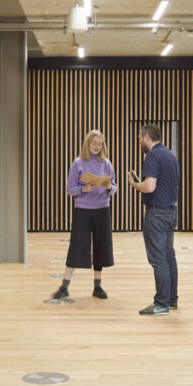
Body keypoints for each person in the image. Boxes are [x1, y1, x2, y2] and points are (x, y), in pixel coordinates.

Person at [50, 128, 116, 301]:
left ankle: (97, 286)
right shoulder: (78, 163)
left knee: (101, 247)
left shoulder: (106, 163)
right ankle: (64, 286)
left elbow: (114, 187)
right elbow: (69, 188)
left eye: (100, 144)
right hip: (83, 210)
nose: (96, 147)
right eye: (94, 143)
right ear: (88, 144)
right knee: (77, 246)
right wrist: (83, 188)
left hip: (102, 210)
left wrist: (109, 187)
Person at [129, 123, 181, 315]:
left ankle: (161, 303)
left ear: (147, 137)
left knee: (158, 259)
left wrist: (135, 184)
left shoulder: (152, 155)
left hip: (156, 214)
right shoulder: (170, 154)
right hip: (171, 211)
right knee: (169, 257)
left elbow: (150, 187)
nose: (139, 141)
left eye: (139, 137)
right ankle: (172, 300)